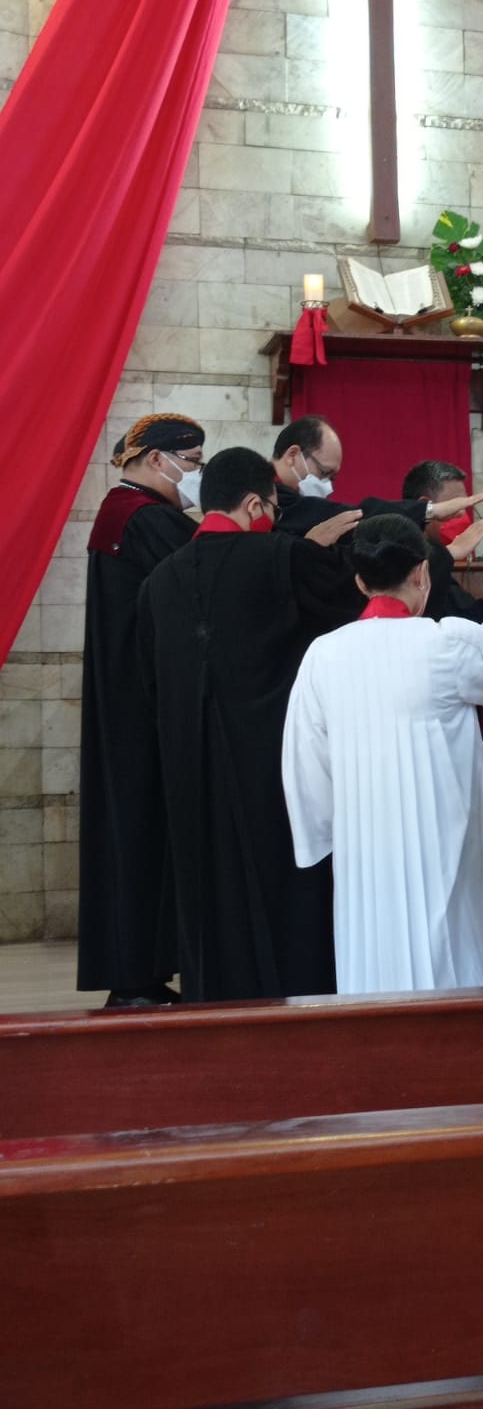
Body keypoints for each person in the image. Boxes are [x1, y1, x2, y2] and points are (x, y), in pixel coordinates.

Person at [281, 515, 483, 994]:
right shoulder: (444, 643)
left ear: (360, 581)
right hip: (441, 837)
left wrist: (329, 832)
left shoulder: (322, 654)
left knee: (377, 954)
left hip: (366, 846)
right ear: (422, 573)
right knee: (451, 945)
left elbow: (305, 760)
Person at [139, 447, 362, 1004]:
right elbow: (351, 624)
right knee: (286, 885)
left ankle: (214, 1000)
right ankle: (300, 998)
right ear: (257, 504)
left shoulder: (157, 583)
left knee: (209, 887)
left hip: (191, 768)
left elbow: (149, 683)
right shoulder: (284, 558)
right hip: (274, 762)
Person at [78, 413, 206, 1007]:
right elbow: (200, 586)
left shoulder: (124, 510)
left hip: (129, 703)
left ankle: (141, 976)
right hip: (145, 709)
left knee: (138, 839)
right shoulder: (146, 518)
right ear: (157, 459)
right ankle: (134, 982)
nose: (197, 475)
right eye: (194, 462)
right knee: (142, 839)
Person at [272, 415, 483, 540]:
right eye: (324, 473)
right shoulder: (271, 497)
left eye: (333, 478)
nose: (328, 486)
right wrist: (431, 511)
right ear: (292, 455)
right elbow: (359, 514)